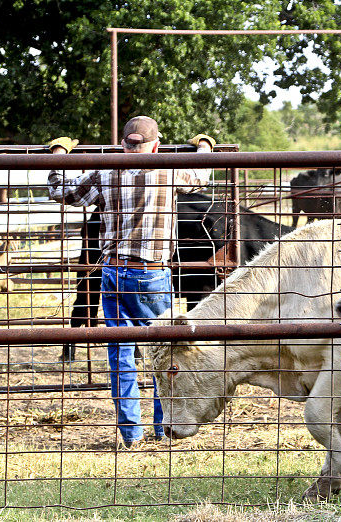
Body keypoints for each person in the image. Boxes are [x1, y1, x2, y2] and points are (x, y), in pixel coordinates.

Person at [47, 116, 216, 448]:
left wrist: (58, 152)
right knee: (163, 352)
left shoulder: (105, 172)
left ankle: (130, 434)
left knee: (121, 351)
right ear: (156, 144)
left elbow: (60, 189)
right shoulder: (167, 171)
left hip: (113, 271)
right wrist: (204, 143)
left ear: (122, 143)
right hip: (153, 272)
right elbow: (202, 172)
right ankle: (162, 427)